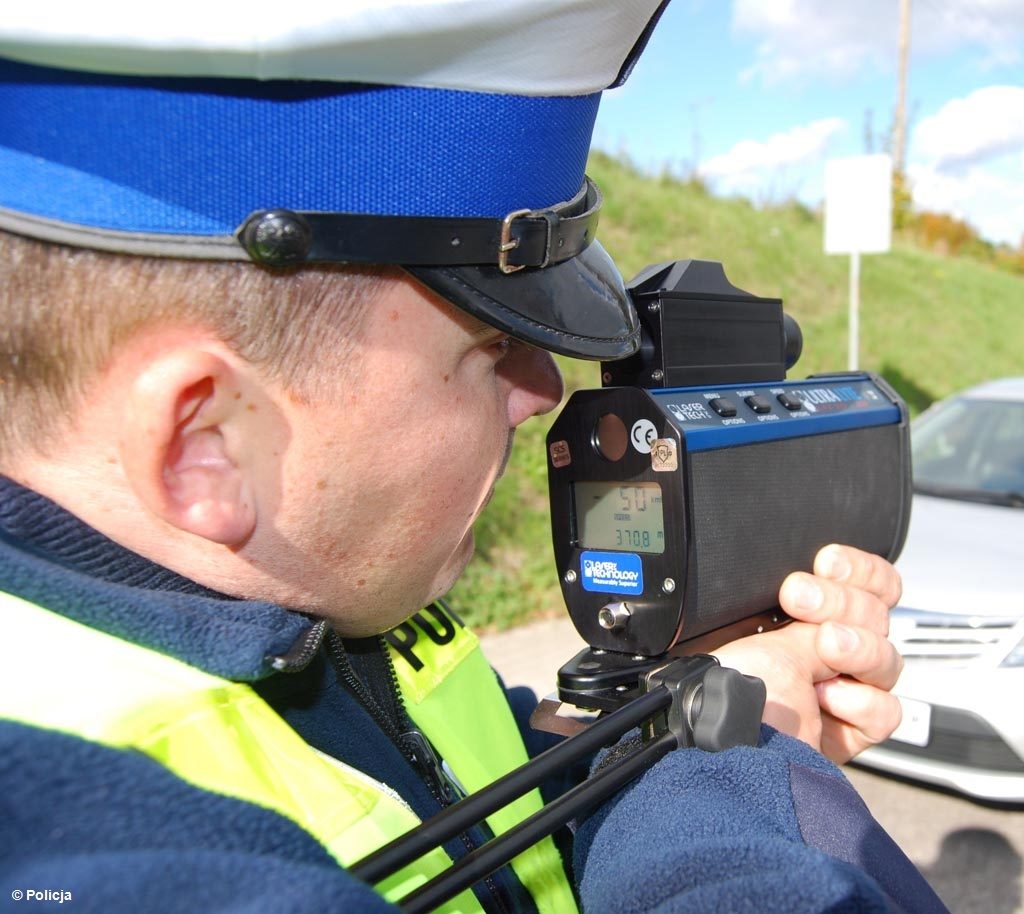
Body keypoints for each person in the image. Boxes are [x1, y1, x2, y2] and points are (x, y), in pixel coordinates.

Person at [0, 4, 948, 913]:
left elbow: (445, 777)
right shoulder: (78, 851)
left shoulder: (308, 617)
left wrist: (658, 700)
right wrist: (733, 753)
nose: (543, 392)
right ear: (205, 446)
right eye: (492, 345)